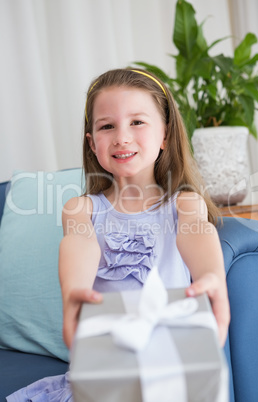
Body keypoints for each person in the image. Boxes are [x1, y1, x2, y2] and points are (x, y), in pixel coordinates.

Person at [7, 68, 230, 401]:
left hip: (170, 369)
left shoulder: (183, 203)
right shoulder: (81, 208)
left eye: (137, 122)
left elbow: (196, 234)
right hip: (104, 374)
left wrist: (212, 278)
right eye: (107, 126)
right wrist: (74, 294)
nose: (122, 137)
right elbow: (79, 244)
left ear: (165, 135)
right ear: (92, 143)